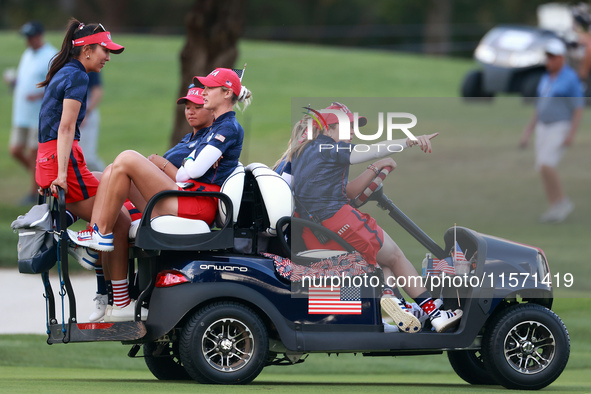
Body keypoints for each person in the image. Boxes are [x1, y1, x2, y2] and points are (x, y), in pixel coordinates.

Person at [69, 68, 252, 321]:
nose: (205, 93)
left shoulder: (228, 127)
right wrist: (185, 165)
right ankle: (103, 256)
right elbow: (188, 169)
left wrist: (174, 164)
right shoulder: (217, 127)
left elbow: (190, 171)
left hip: (198, 203)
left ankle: (98, 235)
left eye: (209, 89)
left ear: (226, 93)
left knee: (127, 157)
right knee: (108, 173)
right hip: (187, 197)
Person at [291, 102, 462, 333]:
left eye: (354, 126)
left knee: (384, 260)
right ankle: (435, 313)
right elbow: (372, 150)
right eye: (347, 125)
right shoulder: (330, 149)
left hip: (316, 231)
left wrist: (375, 169)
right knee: (397, 256)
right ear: (327, 129)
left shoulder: (305, 152)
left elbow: (346, 192)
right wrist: (409, 141)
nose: (353, 130)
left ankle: (398, 302)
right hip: (340, 221)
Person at [34, 18, 129, 320]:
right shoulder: (78, 78)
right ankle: (117, 301)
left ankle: (101, 282)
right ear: (87, 50)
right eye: (105, 50)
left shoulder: (66, 71)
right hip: (62, 160)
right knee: (122, 220)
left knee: (112, 187)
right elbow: (65, 128)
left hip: (47, 160)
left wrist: (51, 174)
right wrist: (61, 175)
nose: (108, 58)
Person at [520, 38, 584, 223]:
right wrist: (528, 130)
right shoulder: (546, 78)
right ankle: (555, 206)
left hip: (560, 125)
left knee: (547, 163)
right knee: (542, 167)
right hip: (542, 127)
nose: (549, 60)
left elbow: (578, 108)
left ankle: (563, 202)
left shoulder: (570, 78)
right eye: (547, 56)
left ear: (561, 58)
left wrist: (571, 133)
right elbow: (540, 107)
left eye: (553, 57)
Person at [7, 21, 57, 205]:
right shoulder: (27, 54)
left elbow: (54, 86)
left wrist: (37, 95)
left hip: (38, 114)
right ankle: (39, 178)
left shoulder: (50, 56)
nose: (28, 41)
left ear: (39, 36)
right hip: (21, 113)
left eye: (30, 37)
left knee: (35, 153)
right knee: (15, 150)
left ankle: (34, 192)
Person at [78, 72, 106, 171]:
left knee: (87, 158)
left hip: (85, 112)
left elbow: (97, 91)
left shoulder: (88, 65)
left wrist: (86, 113)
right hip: (69, 112)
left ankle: (108, 180)